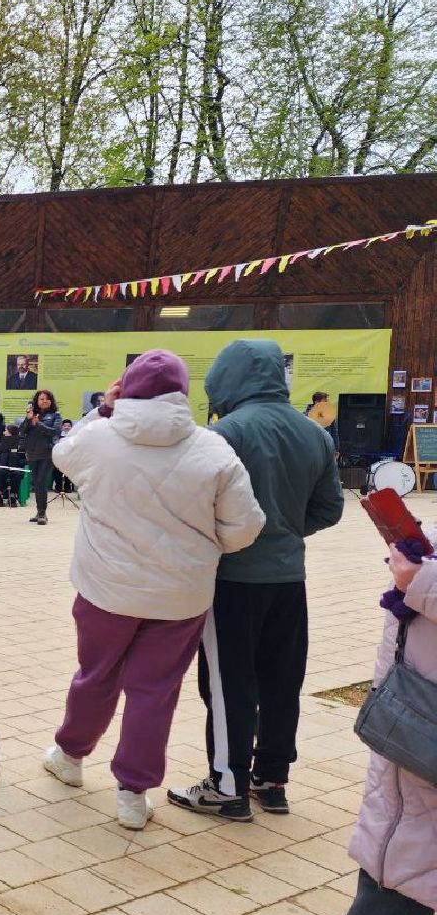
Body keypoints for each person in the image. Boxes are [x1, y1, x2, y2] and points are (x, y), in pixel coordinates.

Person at [43, 352, 265, 829]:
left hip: (105, 589)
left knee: (95, 675)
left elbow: (62, 454)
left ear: (127, 389)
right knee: (154, 692)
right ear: (183, 394)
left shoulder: (99, 437)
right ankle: (132, 795)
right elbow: (245, 527)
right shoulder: (214, 449)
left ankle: (70, 756)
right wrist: (206, 546)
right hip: (180, 597)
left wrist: (103, 409)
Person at [264, 543, 437, 915]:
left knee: (401, 860)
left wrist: (420, 581)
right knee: (403, 857)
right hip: (415, 716)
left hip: (422, 731)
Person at [169, 339, 344, 822]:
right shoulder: (314, 434)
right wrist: (285, 530)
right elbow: (330, 508)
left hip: (233, 580)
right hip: (289, 579)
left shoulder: (225, 433)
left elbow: (195, 507)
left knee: (229, 685)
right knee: (282, 680)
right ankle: (271, 778)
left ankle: (227, 786)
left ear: (226, 377)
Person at [19, 390, 62, 525]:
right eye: (41, 399)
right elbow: (22, 431)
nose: (44, 401)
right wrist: (28, 419)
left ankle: (43, 513)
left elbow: (54, 432)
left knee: (41, 481)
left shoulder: (55, 415)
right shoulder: (32, 414)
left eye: (46, 399)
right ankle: (39, 512)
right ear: (36, 402)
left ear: (50, 401)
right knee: (36, 483)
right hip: (32, 453)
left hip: (47, 453)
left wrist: (38, 424)